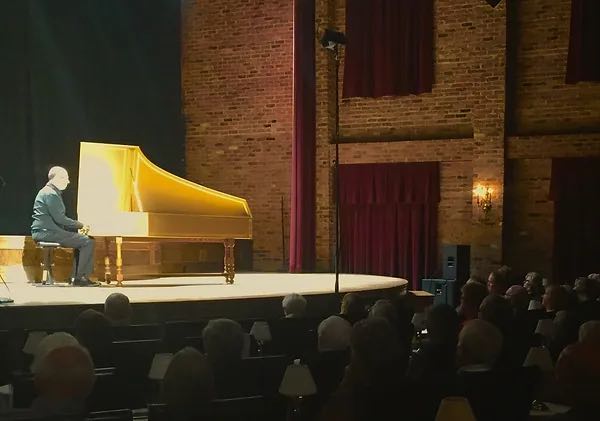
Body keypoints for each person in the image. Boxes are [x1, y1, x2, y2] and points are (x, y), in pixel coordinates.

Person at [31, 166, 97, 286]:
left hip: (45, 231)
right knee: (88, 242)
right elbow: (60, 218)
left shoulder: (47, 191)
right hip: (47, 232)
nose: (68, 181)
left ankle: (76, 277)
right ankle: (80, 278)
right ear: (57, 178)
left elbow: (57, 219)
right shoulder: (51, 193)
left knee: (82, 241)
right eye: (66, 178)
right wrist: (80, 225)